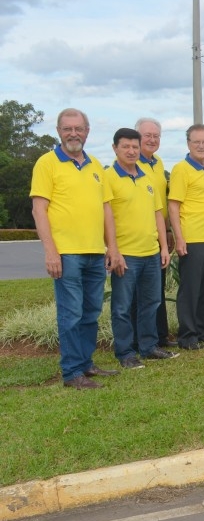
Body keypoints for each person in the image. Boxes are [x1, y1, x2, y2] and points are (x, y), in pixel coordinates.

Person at [30, 108, 119, 389]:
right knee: (71, 314)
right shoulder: (47, 163)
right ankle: (71, 373)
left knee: (91, 312)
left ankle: (85, 363)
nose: (73, 134)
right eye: (67, 128)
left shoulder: (95, 166)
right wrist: (51, 251)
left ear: (87, 131)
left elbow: (106, 210)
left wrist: (112, 248)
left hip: (94, 252)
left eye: (78, 128)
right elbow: (39, 210)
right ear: (58, 131)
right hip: (66, 253)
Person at [104, 127, 175, 369]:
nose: (131, 151)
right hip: (126, 255)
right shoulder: (108, 178)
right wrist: (113, 250)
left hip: (151, 253)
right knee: (122, 307)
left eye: (135, 146)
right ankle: (125, 353)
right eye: (126, 146)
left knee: (151, 303)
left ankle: (148, 346)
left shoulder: (146, 177)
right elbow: (106, 218)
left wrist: (163, 248)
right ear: (115, 148)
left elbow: (158, 214)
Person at [168, 123, 204, 350]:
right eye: (196, 141)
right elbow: (173, 205)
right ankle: (188, 336)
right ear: (188, 143)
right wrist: (179, 238)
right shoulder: (182, 169)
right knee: (191, 290)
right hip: (193, 238)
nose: (201, 146)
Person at [135, 117, 175, 347]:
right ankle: (136, 340)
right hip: (137, 238)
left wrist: (167, 232)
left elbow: (162, 201)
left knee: (156, 290)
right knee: (136, 295)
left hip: (158, 235)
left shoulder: (157, 163)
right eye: (147, 135)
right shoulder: (129, 163)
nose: (152, 139)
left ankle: (160, 336)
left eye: (156, 136)